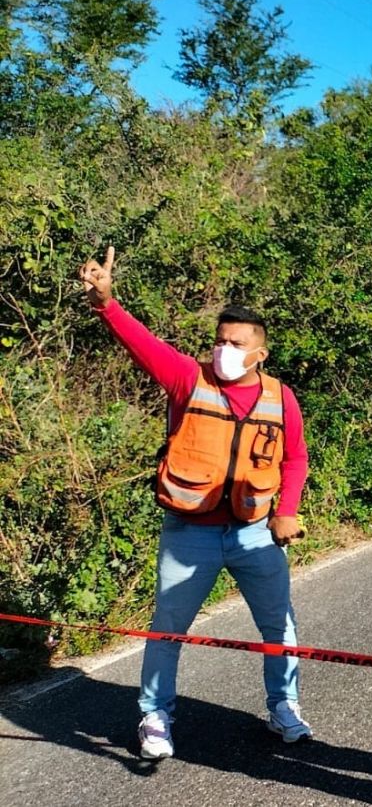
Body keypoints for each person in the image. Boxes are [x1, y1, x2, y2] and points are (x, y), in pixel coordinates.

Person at [79, 247, 311, 761]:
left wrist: (287, 509)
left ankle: (284, 706)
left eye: (237, 343)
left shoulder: (281, 397)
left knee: (279, 625)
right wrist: (106, 303)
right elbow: (142, 344)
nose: (224, 349)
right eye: (220, 340)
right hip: (190, 532)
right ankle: (155, 715)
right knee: (168, 629)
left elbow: (295, 458)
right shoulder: (189, 378)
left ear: (260, 354)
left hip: (255, 531)